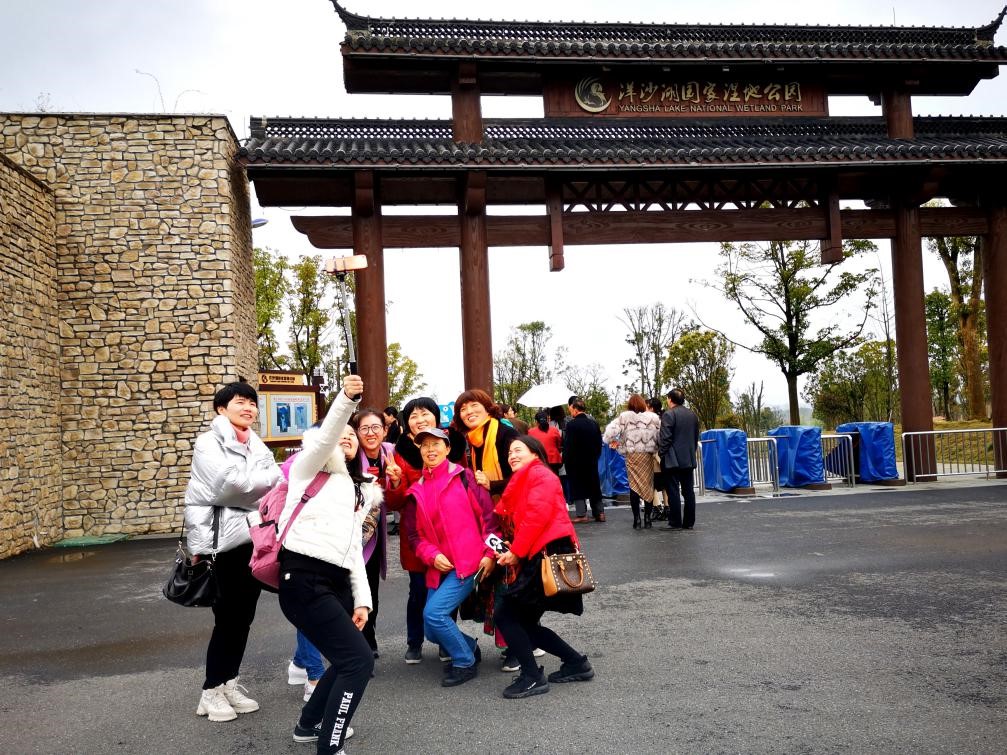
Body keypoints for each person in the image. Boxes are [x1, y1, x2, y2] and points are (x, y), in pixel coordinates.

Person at [277, 375, 384, 752]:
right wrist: (347, 400)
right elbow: (325, 438)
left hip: (334, 584)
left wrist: (362, 602)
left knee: (346, 658)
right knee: (358, 661)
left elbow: (354, 550)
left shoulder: (359, 489)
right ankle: (330, 745)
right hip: (303, 578)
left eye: (353, 434)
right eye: (343, 432)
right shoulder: (309, 469)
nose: (348, 436)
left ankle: (308, 726)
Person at [185, 380, 280, 722]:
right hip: (219, 544)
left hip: (251, 540)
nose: (249, 408)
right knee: (226, 619)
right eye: (241, 402)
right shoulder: (208, 442)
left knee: (243, 618)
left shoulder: (255, 443)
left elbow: (276, 481)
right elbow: (229, 486)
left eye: (252, 403)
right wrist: (256, 483)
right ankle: (210, 691)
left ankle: (228, 683)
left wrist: (253, 483)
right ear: (221, 408)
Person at [493, 436, 594, 698]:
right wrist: (515, 546)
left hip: (546, 553)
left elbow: (536, 517)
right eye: (509, 453)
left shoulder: (541, 476)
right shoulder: (526, 479)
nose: (512, 456)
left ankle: (532, 677)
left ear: (535, 453)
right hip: (539, 552)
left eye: (518, 450)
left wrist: (516, 552)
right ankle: (576, 663)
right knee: (524, 621)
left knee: (506, 615)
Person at [408, 427, 498, 687]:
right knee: (431, 629)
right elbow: (415, 537)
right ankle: (469, 647)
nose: (430, 449)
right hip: (440, 567)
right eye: (425, 445)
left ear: (447, 448)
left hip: (469, 563)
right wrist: (432, 555)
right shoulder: (417, 490)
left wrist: (490, 554)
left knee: (434, 614)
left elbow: (489, 519)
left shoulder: (465, 478)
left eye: (436, 444)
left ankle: (464, 662)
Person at [388, 396, 465, 664]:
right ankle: (415, 641)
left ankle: (446, 641)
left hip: (448, 531)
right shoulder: (399, 452)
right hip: (416, 534)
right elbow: (395, 502)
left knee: (448, 589)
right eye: (413, 416)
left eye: (425, 414)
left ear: (436, 417)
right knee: (418, 590)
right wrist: (395, 482)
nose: (420, 420)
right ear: (406, 422)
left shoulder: (451, 446)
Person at [351, 408, 403, 661]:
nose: (370, 433)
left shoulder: (391, 453)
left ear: (385, 430)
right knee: (351, 589)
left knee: (370, 588)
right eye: (364, 428)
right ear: (356, 432)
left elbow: (396, 501)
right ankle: (357, 644)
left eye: (376, 428)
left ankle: (368, 637)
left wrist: (396, 481)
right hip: (349, 533)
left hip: (374, 534)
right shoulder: (350, 455)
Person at [603, 394, 661, 529]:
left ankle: (637, 520)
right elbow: (660, 436)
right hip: (647, 456)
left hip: (632, 456)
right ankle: (648, 519)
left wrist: (616, 442)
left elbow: (609, 434)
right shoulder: (653, 418)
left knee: (634, 486)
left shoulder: (625, 417)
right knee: (648, 486)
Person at [452, 389, 519, 500]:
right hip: (488, 504)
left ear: (487, 409)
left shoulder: (506, 434)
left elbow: (524, 474)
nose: (469, 411)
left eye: (474, 405)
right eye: (463, 409)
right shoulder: (473, 439)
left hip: (513, 503)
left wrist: (492, 485)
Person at [658, 387, 701, 531]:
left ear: (670, 399)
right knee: (688, 491)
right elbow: (695, 437)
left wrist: (661, 454)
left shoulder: (669, 414)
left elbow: (665, 438)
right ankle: (689, 522)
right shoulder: (692, 415)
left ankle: (675, 522)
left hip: (672, 459)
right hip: (688, 458)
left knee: (673, 491)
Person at [563, 397, 604, 523]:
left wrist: (566, 460)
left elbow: (568, 445)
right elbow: (599, 443)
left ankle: (581, 514)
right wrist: (595, 456)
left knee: (578, 486)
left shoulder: (571, 425)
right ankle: (600, 513)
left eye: (571, 409)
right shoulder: (593, 423)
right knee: (594, 486)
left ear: (575, 409)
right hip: (591, 460)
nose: (570, 411)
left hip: (576, 462)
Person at [647, 397, 668, 522]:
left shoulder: (651, 421)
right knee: (665, 484)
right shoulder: (665, 418)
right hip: (665, 456)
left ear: (651, 408)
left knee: (652, 484)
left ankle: (656, 507)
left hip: (654, 456)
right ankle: (667, 509)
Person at [529, 410, 563, 476]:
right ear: (547, 420)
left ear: (536, 421)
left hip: (540, 461)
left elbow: (530, 447)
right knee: (555, 478)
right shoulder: (554, 430)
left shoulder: (531, 432)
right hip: (554, 460)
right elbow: (559, 444)